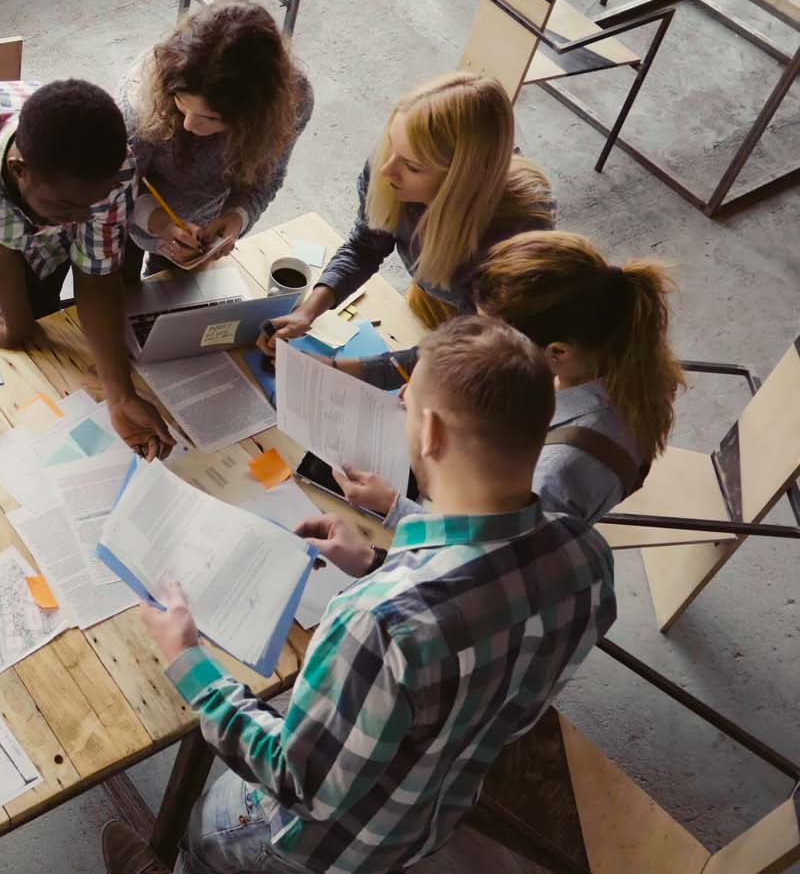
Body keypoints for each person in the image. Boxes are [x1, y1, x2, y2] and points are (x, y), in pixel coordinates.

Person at [109, 317, 616, 874]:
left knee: (207, 822)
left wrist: (188, 663)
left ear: (431, 433)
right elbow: (486, 609)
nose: (399, 399)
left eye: (407, 397)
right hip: (432, 812)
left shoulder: (379, 621)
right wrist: (379, 559)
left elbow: (296, 780)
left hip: (323, 849)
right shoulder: (588, 557)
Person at [0, 78, 175, 459]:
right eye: (68, 207)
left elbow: (96, 275)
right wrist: (18, 324)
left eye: (93, 204)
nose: (83, 218)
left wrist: (120, 395)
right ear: (19, 168)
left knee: (39, 340)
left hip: (47, 248)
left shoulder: (114, 170)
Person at [326, 231, 685, 526]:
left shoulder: (555, 474)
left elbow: (495, 550)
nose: (476, 335)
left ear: (557, 352)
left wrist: (394, 507)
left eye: (492, 331)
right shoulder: (606, 349)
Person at [261, 71, 553, 352]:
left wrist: (341, 368)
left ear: (461, 179)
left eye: (413, 166)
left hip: (489, 321)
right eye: (391, 147)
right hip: (434, 285)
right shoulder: (390, 164)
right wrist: (308, 312)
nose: (387, 170)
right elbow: (365, 247)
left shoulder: (517, 232)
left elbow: (475, 343)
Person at [119, 1, 313, 273]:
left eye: (211, 118)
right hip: (125, 217)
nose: (189, 124)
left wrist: (237, 217)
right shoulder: (142, 99)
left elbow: (265, 179)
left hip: (200, 229)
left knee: (168, 290)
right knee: (121, 278)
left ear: (254, 115)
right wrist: (160, 223)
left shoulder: (292, 104)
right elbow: (114, 187)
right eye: (180, 102)